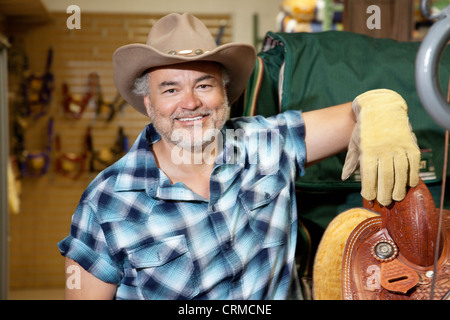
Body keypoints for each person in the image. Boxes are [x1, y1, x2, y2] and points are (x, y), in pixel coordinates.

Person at [58, 13, 420, 300]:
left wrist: (379, 105)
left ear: (224, 93)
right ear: (149, 103)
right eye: (171, 88)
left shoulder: (263, 143)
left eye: (204, 84)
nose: (190, 103)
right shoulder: (106, 202)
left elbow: (355, 114)